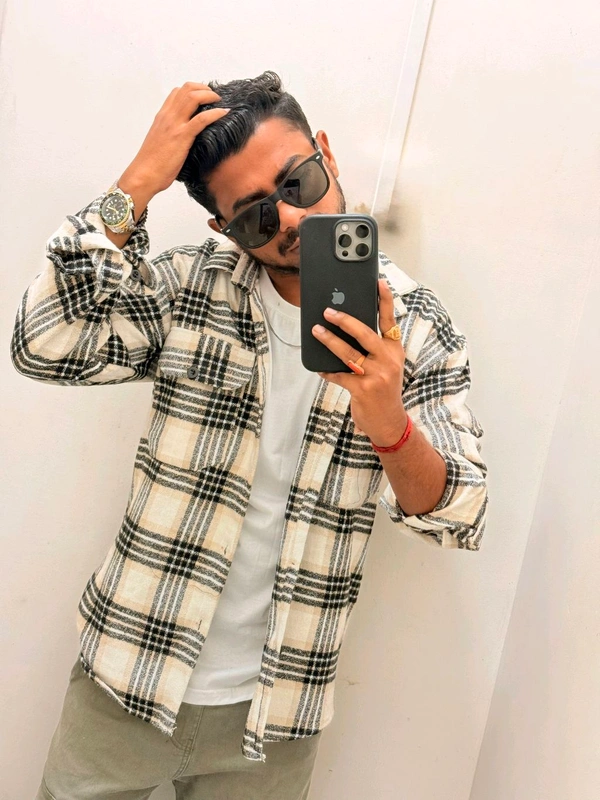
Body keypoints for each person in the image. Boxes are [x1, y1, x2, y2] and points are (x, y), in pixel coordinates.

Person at [11, 71, 489, 800]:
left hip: (276, 717)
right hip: (127, 677)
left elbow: (459, 515)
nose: (290, 219)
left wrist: (389, 423)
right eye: (256, 218)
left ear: (326, 152)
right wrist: (135, 185)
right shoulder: (189, 287)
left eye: (299, 182)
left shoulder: (415, 325)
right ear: (223, 230)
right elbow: (43, 344)